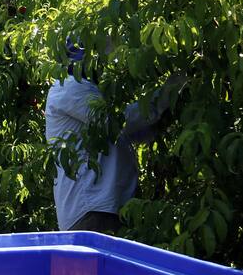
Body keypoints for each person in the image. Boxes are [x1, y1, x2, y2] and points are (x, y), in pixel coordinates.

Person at [45, 42, 185, 233]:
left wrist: (163, 115)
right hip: (93, 209)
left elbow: (130, 134)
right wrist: (167, 92)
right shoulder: (70, 86)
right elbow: (119, 122)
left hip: (105, 207)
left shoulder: (91, 91)